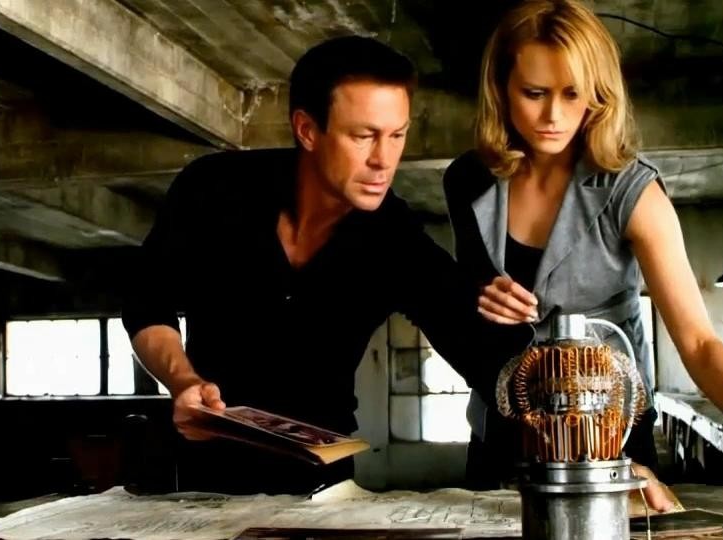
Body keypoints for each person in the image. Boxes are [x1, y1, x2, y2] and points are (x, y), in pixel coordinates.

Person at [122, 35, 533, 496]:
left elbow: (471, 340)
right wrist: (184, 381)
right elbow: (146, 303)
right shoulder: (212, 189)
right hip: (201, 473)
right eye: (363, 136)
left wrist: (531, 361)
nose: (384, 160)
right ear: (307, 129)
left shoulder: (393, 236)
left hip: (321, 488)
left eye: (397, 135)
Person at [444, 0, 723, 509]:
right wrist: (475, 298)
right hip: (501, 430)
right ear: (500, 88)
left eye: (572, 93)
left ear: (598, 92)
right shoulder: (466, 180)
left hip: (610, 434)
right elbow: (463, 307)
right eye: (534, 93)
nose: (553, 115)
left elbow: (698, 340)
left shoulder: (634, 192)